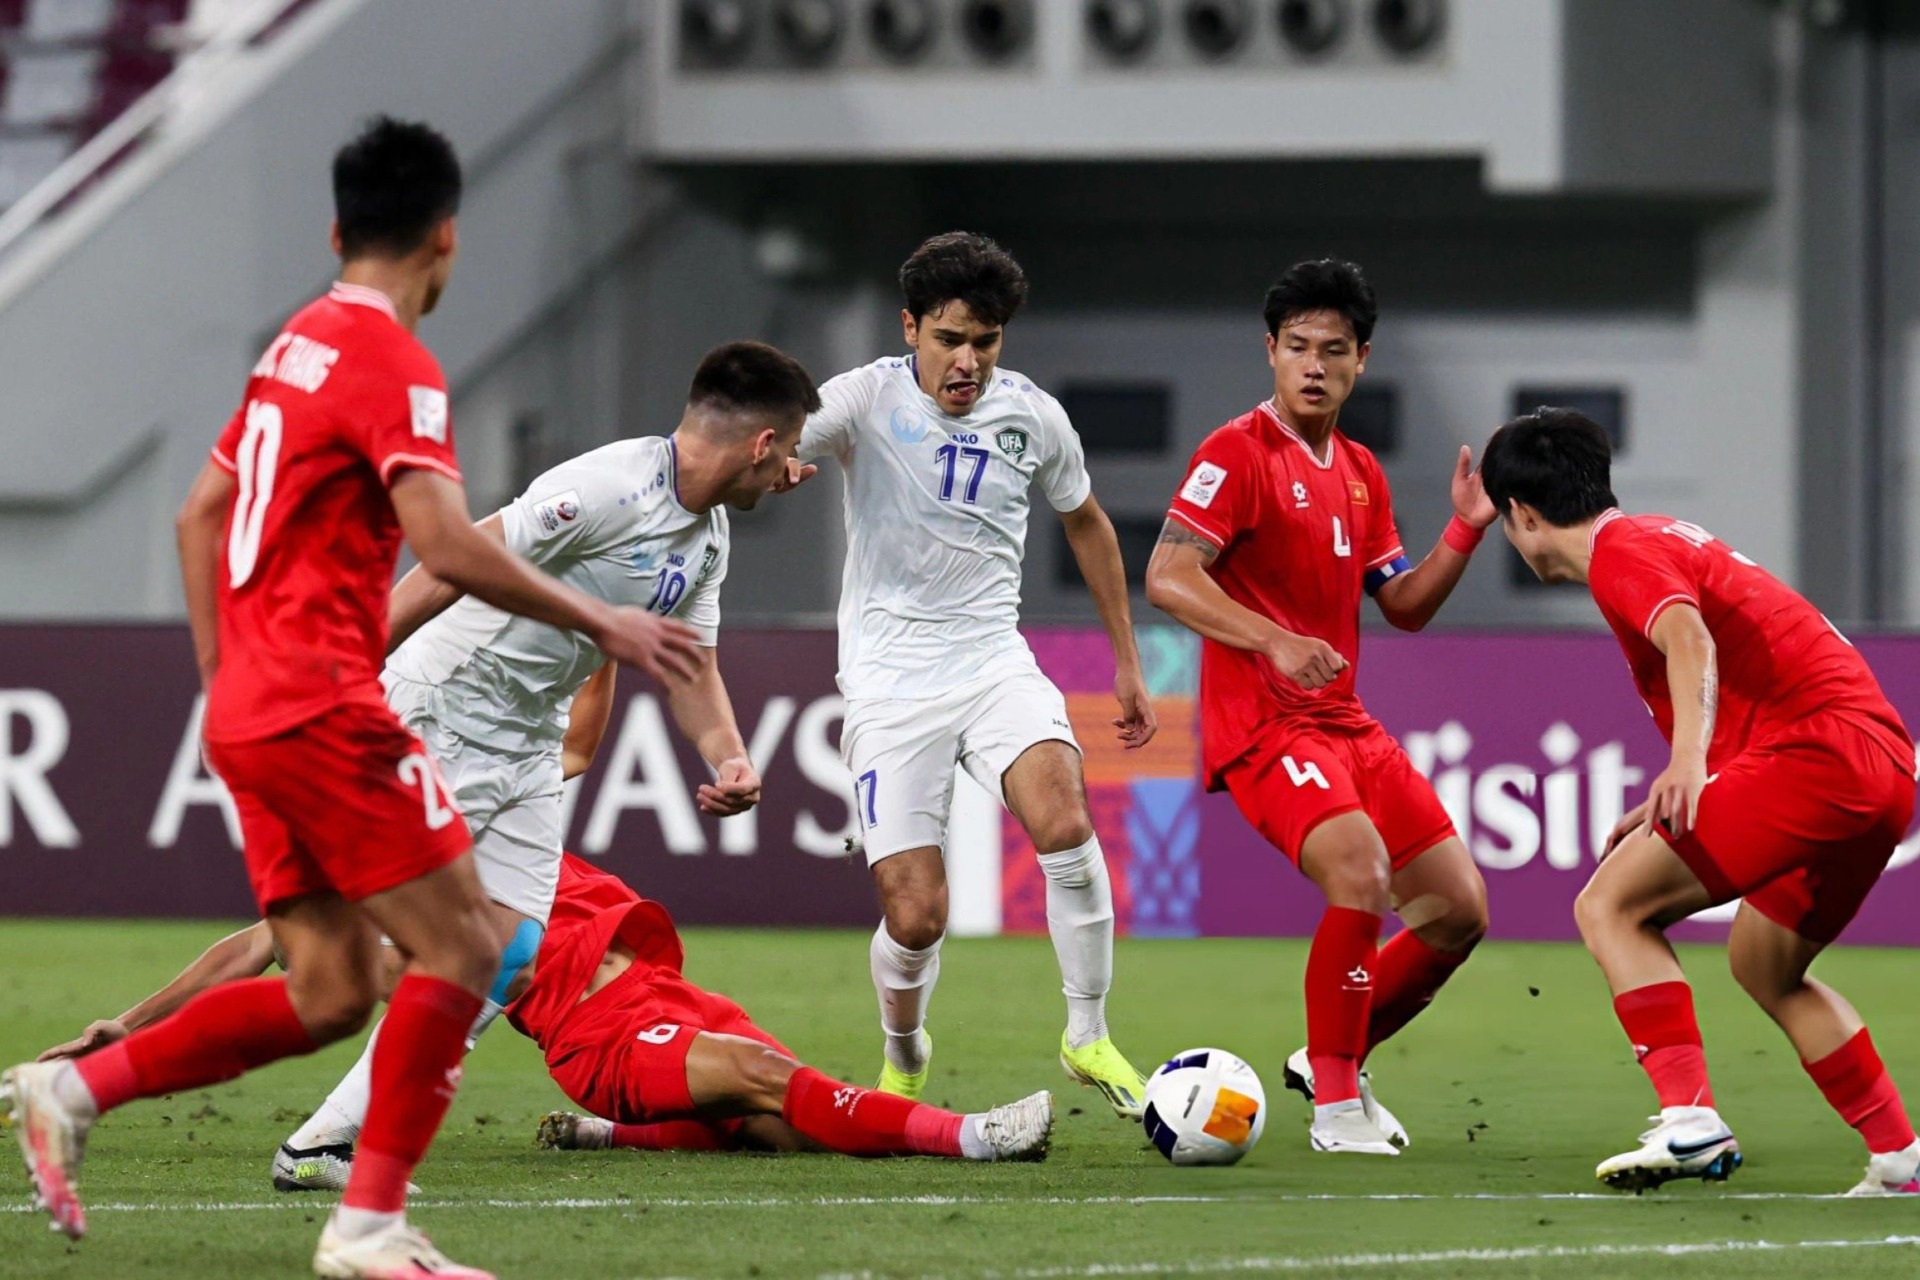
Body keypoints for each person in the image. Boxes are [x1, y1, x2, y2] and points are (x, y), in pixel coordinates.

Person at [2, 117, 702, 1280]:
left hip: (252, 705)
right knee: (471, 942)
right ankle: (369, 1223)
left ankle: (72, 1087)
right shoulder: (392, 362)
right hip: (326, 702)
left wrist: (226, 683)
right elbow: (446, 544)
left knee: (334, 984)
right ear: (447, 239)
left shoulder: (295, 346)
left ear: (335, 230)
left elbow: (196, 514)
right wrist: (600, 618)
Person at [267, 339, 821, 1192]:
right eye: (787, 451)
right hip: (446, 707)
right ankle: (155, 1066)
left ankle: (325, 1143)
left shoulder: (707, 538)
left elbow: (692, 667)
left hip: (527, 738)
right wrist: (340, 671)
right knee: (364, 943)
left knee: (513, 956)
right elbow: (452, 559)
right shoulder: (607, 487)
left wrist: (731, 755)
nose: (791, 473)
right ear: (761, 445)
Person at [1480, 407, 1920, 1195]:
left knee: (1609, 907)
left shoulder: (1621, 553)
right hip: (1879, 769)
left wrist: (1683, 765)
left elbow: (1689, 638)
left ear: (1522, 515)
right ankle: (1900, 1158)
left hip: (1820, 757)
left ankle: (1689, 1118)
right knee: (1766, 965)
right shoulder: (1656, 537)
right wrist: (1696, 777)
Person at [797, 232, 1157, 1117]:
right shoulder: (863, 399)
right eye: (951, 339)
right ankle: (905, 1052)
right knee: (916, 917)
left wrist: (1127, 658)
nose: (969, 362)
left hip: (995, 663)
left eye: (987, 342)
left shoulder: (1032, 415)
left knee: (1068, 820)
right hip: (890, 683)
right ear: (910, 326)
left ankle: (1087, 1033)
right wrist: (770, 465)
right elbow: (776, 441)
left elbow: (1089, 525)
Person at [39, 858, 1053, 1166]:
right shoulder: (396, 852)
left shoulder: (516, 795)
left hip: (662, 991)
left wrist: (606, 623)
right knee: (760, 1075)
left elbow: (576, 715)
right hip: (594, 1032)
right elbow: (258, 941)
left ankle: (619, 1132)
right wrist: (126, 1022)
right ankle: (974, 1134)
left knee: (780, 1126)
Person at [1144, 258, 1491, 1156]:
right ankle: (1338, 1108)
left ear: (1361, 360)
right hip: (1262, 725)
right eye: (1295, 346)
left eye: (1332, 350)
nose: (1312, 365)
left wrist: (1463, 529)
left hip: (1344, 722)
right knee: (1361, 874)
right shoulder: (1236, 453)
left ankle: (1329, 1053)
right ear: (1270, 351)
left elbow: (1403, 605)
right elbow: (1168, 576)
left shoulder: (1363, 470)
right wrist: (1273, 641)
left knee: (1458, 908)